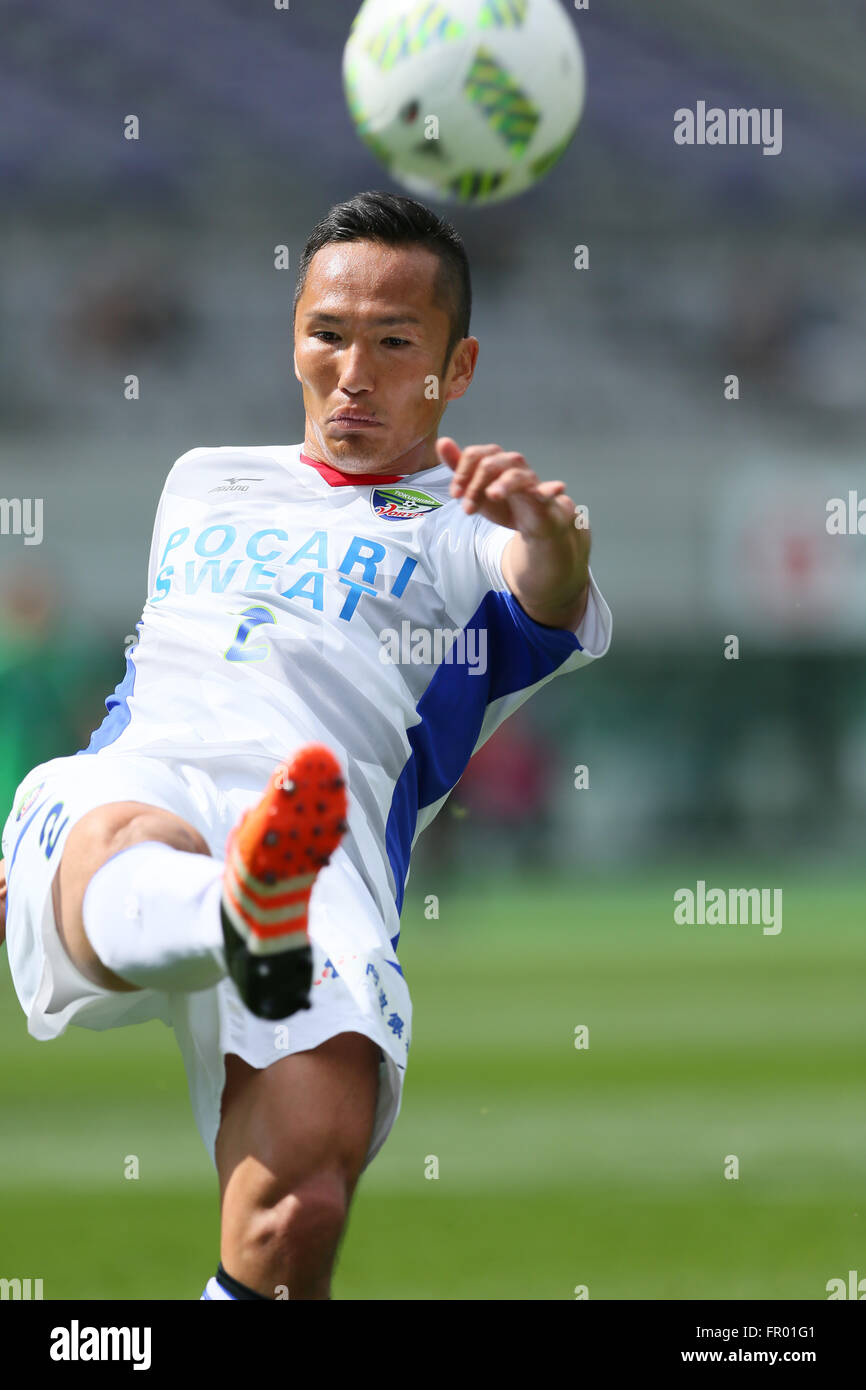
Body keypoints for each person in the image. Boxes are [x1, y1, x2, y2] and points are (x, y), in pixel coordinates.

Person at [0, 191, 612, 1301]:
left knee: (297, 1213)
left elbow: (548, 597)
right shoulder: (200, 480)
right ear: (293, 337)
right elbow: (158, 686)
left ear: (454, 366)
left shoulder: (476, 535)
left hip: (318, 850)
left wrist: (552, 538)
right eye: (327, 335)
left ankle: (238, 905)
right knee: (138, 831)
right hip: (144, 790)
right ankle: (224, 908)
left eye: (393, 343)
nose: (353, 370)